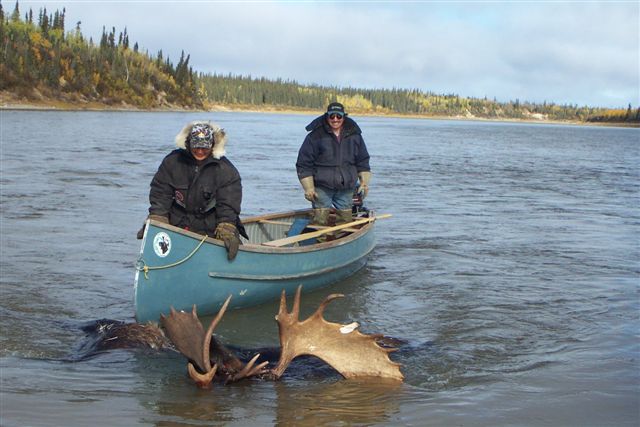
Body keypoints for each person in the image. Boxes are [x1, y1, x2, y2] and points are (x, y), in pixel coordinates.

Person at [137, 120, 245, 260]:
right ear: (188, 144)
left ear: (212, 146)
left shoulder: (226, 170)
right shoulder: (172, 162)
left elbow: (229, 203)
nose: (200, 151)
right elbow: (160, 192)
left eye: (204, 148)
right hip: (177, 225)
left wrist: (226, 226)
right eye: (196, 147)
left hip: (209, 229)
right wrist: (158, 217)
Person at [296, 102, 372, 226]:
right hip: (322, 187)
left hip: (346, 187)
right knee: (320, 221)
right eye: (332, 116)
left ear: (344, 116)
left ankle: (342, 241)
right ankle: (320, 242)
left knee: (346, 221)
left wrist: (364, 183)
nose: (335, 119)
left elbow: (363, 160)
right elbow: (303, 164)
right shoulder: (315, 136)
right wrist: (308, 188)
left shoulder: (355, 136)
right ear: (327, 116)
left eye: (339, 116)